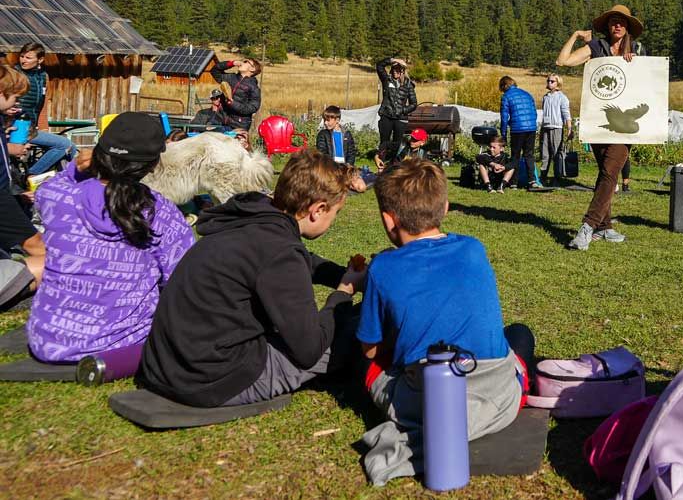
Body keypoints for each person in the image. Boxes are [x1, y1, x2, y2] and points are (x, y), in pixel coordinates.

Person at [139, 148, 364, 407]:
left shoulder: (251, 220)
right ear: (318, 209)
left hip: (166, 366)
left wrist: (341, 274)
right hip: (208, 379)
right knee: (353, 329)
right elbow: (309, 350)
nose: (333, 220)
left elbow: (301, 260)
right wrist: (343, 292)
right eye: (335, 213)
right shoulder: (280, 251)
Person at [357, 159, 534, 485]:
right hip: (500, 397)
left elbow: (370, 351)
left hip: (426, 403)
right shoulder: (473, 248)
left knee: (367, 357)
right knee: (520, 333)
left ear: (388, 219)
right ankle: (512, 386)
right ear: (446, 207)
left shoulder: (382, 268)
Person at [25, 113, 194, 363]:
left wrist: (75, 170)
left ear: (98, 153)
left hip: (47, 340)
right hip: (121, 343)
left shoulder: (59, 197)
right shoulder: (161, 212)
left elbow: (45, 190)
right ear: (153, 164)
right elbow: (182, 278)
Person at [556, 4, 646, 251]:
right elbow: (562, 61)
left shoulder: (638, 50)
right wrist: (576, 35)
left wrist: (635, 65)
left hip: (625, 125)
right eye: (613, 21)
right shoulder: (597, 47)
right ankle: (604, 227)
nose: (617, 25)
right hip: (598, 120)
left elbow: (647, 83)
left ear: (627, 26)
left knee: (610, 172)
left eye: (621, 21)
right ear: (607, 25)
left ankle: (588, 227)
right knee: (605, 173)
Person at [12, 43, 77, 175]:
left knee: (69, 146)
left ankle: (31, 175)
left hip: (31, 129)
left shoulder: (43, 76)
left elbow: (42, 105)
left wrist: (43, 127)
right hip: (14, 128)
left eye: (28, 58)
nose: (23, 60)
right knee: (64, 145)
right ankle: (30, 176)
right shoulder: (14, 74)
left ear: (40, 59)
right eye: (22, 56)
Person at [0, 65, 39, 255]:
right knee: (38, 248)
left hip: (5, 193)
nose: (17, 102)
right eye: (15, 97)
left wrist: (16, 196)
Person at [499, 76, 542, 190]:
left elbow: (504, 118)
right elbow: (534, 113)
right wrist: (531, 124)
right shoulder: (527, 94)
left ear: (504, 86)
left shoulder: (506, 96)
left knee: (515, 156)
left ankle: (514, 182)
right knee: (529, 155)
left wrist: (503, 135)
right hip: (531, 128)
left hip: (517, 129)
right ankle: (532, 181)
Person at [316, 105, 370, 192]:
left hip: (346, 169)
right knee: (332, 187)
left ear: (337, 120)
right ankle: (341, 183)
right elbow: (322, 154)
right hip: (331, 169)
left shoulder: (347, 134)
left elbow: (351, 153)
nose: (325, 123)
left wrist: (348, 166)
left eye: (328, 120)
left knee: (361, 187)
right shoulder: (323, 134)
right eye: (324, 120)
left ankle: (344, 183)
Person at [375, 57, 417, 163]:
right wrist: (394, 60)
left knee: (398, 144)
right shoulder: (386, 80)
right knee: (384, 142)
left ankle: (394, 164)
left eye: (398, 69)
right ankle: (381, 164)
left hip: (400, 118)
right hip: (386, 116)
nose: (395, 72)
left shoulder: (408, 84)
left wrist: (402, 110)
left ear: (402, 71)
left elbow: (414, 104)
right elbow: (379, 65)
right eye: (393, 69)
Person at [211, 57, 262, 131]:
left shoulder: (254, 87)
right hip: (220, 120)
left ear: (252, 69)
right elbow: (214, 71)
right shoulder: (230, 77)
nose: (242, 62)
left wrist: (233, 104)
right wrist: (232, 63)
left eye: (246, 62)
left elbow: (253, 107)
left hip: (239, 125)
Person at [539, 74, 572, 186]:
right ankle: (542, 177)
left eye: (552, 81)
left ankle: (557, 178)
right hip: (545, 127)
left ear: (558, 83)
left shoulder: (562, 97)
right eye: (548, 81)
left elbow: (566, 114)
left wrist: (569, 129)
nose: (549, 83)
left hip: (557, 128)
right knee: (545, 153)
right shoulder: (545, 97)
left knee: (556, 153)